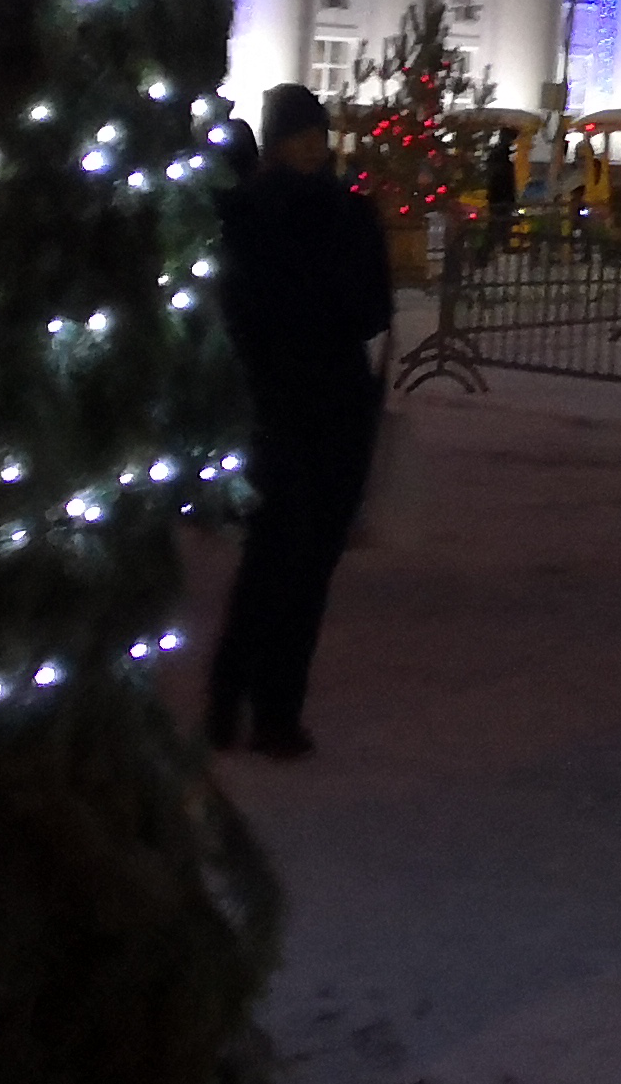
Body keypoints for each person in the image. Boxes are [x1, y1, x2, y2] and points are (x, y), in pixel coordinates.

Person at [209, 85, 393, 760]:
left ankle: (270, 708)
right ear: (277, 140)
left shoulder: (342, 213)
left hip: (333, 405)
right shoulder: (256, 214)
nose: (311, 145)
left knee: (306, 564)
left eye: (317, 133)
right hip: (279, 402)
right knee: (278, 557)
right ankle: (240, 701)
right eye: (297, 134)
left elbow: (375, 309)